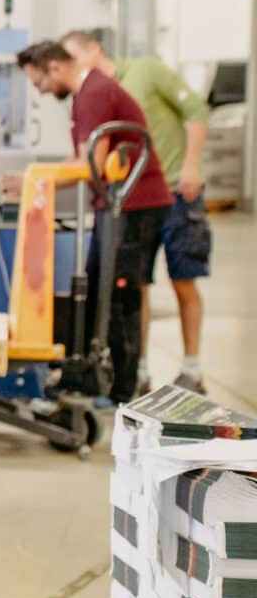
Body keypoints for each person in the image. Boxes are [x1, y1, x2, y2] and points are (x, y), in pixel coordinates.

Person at [15, 40, 173, 406]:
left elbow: (90, 167)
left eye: (38, 83)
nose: (40, 91)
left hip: (133, 205)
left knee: (119, 296)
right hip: (115, 204)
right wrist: (33, 178)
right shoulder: (88, 94)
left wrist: (35, 178)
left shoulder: (95, 93)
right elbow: (79, 158)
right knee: (100, 289)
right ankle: (95, 376)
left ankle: (122, 390)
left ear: (54, 67)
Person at [61, 28, 212, 393]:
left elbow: (196, 110)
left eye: (73, 58)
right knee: (135, 285)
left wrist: (191, 166)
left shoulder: (146, 71)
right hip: (132, 200)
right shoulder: (91, 93)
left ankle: (192, 368)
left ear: (93, 49)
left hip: (176, 189)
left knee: (183, 280)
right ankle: (138, 369)